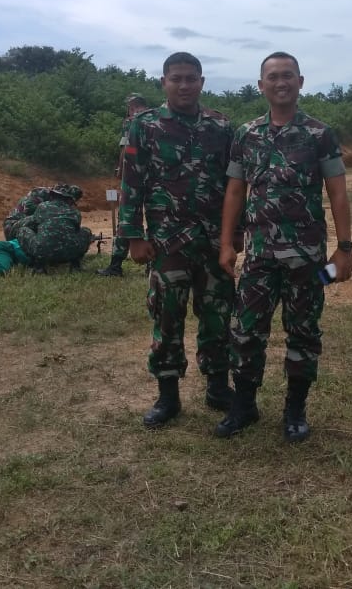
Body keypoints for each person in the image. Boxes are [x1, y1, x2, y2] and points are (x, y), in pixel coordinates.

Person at [215, 51, 352, 442]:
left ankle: (295, 410)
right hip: (258, 257)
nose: (281, 82)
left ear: (300, 82)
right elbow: (235, 191)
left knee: (304, 332)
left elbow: (338, 193)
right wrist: (226, 243)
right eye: (273, 76)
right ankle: (244, 405)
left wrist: (344, 248)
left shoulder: (319, 134)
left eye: (288, 75)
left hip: (308, 259)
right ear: (261, 85)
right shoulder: (246, 134)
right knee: (245, 331)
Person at [118, 52, 236, 428]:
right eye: (176, 78)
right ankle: (167, 395)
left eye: (191, 78)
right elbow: (131, 182)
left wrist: (234, 237)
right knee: (167, 316)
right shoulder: (144, 126)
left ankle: (218, 387)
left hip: (213, 241)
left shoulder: (221, 126)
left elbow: (235, 186)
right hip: (167, 242)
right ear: (164, 82)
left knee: (218, 315)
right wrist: (133, 237)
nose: (184, 85)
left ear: (202, 82)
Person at [97, 93, 150, 277]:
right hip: (154, 177)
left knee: (126, 220)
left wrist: (121, 169)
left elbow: (126, 149)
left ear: (131, 106)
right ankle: (151, 266)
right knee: (153, 220)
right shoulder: (155, 119)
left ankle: (116, 265)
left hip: (133, 177)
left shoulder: (131, 122)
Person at [14, 184, 93, 270]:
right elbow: (76, 231)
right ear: (69, 199)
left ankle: (39, 267)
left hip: (44, 253)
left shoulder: (43, 206)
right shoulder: (75, 212)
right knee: (86, 231)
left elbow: (32, 223)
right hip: (70, 254)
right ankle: (75, 265)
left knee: (22, 230)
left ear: (52, 195)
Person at [4, 183, 76, 241]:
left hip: (24, 226)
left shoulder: (54, 200)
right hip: (13, 225)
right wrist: (51, 210)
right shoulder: (40, 193)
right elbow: (28, 208)